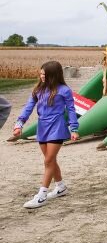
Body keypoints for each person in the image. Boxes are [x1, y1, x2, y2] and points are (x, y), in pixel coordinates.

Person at [12, 61, 79, 209]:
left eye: (45, 74)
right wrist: (19, 124)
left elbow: (72, 110)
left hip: (57, 127)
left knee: (48, 161)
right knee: (50, 160)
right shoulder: (38, 90)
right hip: (42, 127)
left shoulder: (64, 90)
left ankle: (41, 196)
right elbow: (28, 107)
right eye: (41, 73)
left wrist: (74, 128)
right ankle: (61, 187)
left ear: (53, 75)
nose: (41, 76)